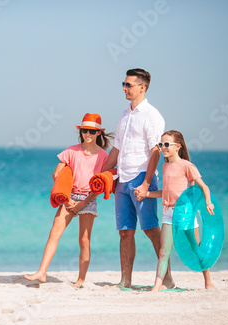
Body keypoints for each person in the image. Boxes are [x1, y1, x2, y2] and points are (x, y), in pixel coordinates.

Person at [102, 68, 173, 289]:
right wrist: (102, 174)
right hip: (122, 179)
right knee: (125, 232)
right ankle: (125, 281)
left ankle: (167, 278)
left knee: (151, 230)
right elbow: (116, 148)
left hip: (142, 177)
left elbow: (155, 151)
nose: (124, 88)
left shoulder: (152, 115)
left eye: (128, 85)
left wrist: (145, 183)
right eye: (123, 84)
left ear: (142, 87)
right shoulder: (125, 114)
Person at [24, 113, 113, 287]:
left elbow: (100, 185)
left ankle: (80, 280)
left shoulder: (104, 156)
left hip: (88, 199)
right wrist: (65, 199)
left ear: (98, 134)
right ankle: (42, 272)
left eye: (92, 131)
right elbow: (56, 175)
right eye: (85, 131)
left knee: (84, 240)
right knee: (54, 233)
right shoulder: (71, 151)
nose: (88, 134)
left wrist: (82, 203)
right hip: (69, 196)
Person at [135, 130, 216, 291]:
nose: (163, 147)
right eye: (161, 145)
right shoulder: (165, 166)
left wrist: (208, 202)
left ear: (177, 146)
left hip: (185, 213)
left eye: (166, 144)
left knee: (195, 247)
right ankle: (157, 286)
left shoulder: (187, 166)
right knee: (163, 251)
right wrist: (147, 194)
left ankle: (208, 280)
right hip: (168, 213)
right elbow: (166, 192)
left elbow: (204, 187)